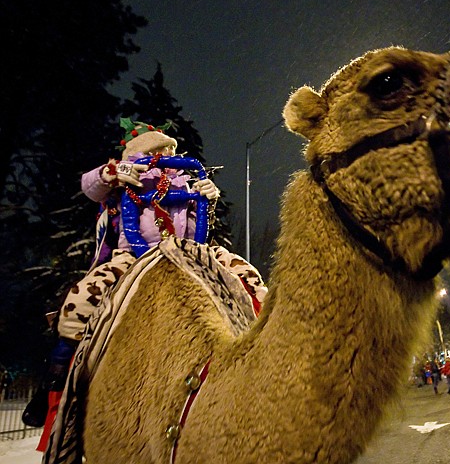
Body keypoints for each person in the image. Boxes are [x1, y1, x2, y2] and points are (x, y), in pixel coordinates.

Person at [23, 119, 267, 439]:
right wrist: (111, 173)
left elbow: (197, 232)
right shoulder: (126, 180)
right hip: (132, 254)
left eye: (168, 150)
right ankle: (55, 380)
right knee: (81, 299)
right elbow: (89, 186)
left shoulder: (184, 184)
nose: (166, 155)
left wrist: (207, 201)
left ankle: (266, 341)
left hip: (184, 251)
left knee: (246, 273)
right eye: (158, 150)